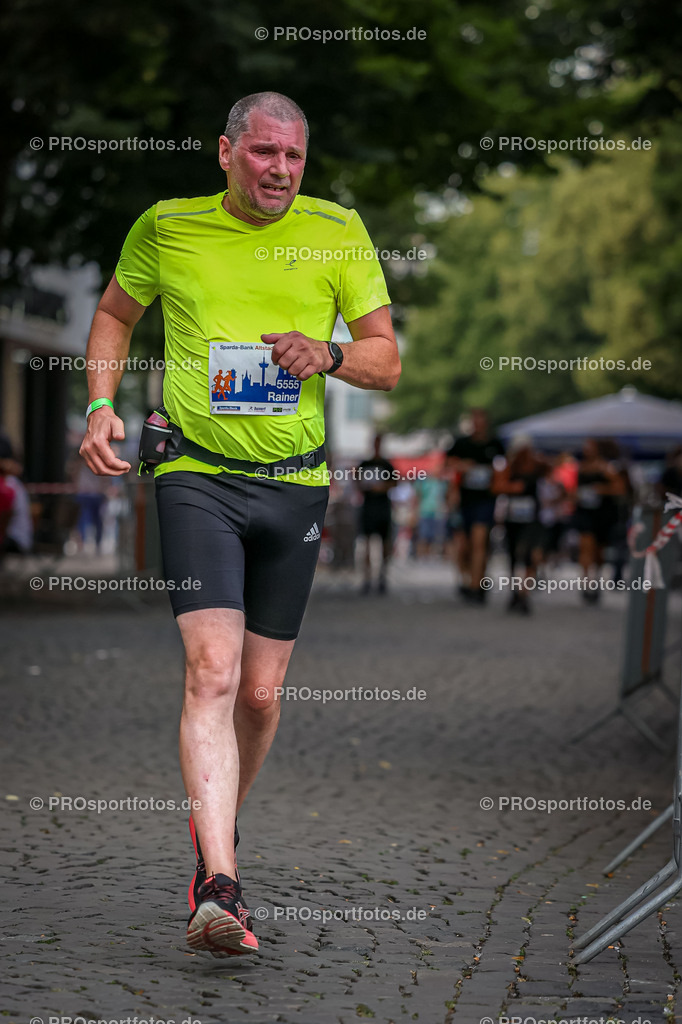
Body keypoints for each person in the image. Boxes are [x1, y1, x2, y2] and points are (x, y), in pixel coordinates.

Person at [78, 92, 400, 957]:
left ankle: (212, 831)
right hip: (194, 475)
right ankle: (218, 883)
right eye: (264, 154)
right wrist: (102, 404)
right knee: (212, 674)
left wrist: (326, 353)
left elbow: (385, 359)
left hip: (294, 485)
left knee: (259, 694)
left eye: (294, 158)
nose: (280, 172)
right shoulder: (167, 227)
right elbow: (113, 314)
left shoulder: (337, 231)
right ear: (226, 153)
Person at [447, 409, 505, 603]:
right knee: (464, 546)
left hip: (486, 500)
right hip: (464, 501)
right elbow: (447, 463)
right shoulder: (461, 444)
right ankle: (469, 578)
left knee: (480, 542)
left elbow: (503, 468)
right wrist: (462, 466)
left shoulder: (495, 445)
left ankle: (476, 586)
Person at [492, 435, 548, 615]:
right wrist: (512, 487)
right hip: (513, 518)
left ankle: (524, 592)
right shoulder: (509, 467)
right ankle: (516, 591)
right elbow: (497, 486)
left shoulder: (538, 466)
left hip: (532, 519)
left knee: (531, 555)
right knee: (514, 556)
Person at [574, 438, 626, 603]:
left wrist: (601, 490)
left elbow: (620, 488)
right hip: (584, 513)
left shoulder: (607, 467)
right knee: (585, 546)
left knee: (598, 551)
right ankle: (585, 582)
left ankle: (594, 580)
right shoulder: (581, 467)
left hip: (602, 514)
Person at [356, 434, 397, 594]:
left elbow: (394, 483)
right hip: (369, 507)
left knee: (384, 543)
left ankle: (382, 576)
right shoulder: (365, 464)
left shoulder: (387, 465)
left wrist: (381, 487)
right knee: (367, 543)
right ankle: (367, 578)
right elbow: (358, 483)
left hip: (383, 507)